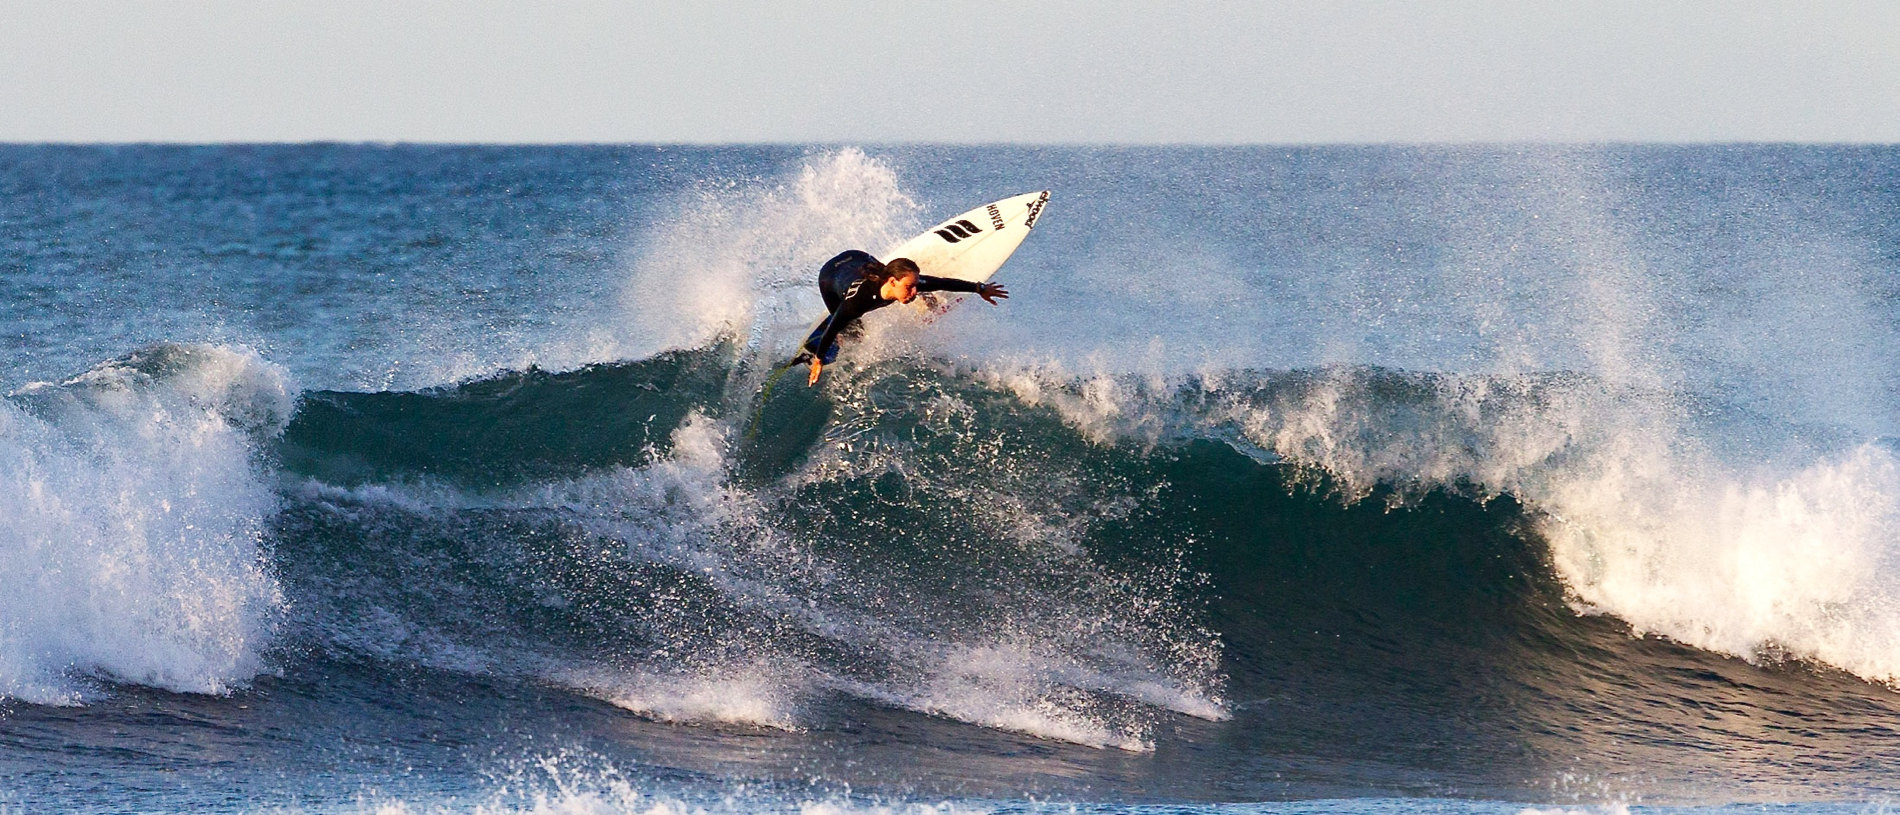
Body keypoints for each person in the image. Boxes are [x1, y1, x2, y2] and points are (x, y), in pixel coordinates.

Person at [798, 250, 1008, 385]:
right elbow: (832, 329)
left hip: (857, 257)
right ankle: (844, 339)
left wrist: (979, 288)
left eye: (916, 286)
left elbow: (943, 282)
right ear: (892, 282)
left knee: (922, 284)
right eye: (909, 287)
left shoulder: (900, 284)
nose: (914, 291)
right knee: (854, 332)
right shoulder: (857, 303)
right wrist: (818, 360)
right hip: (830, 276)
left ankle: (923, 295)